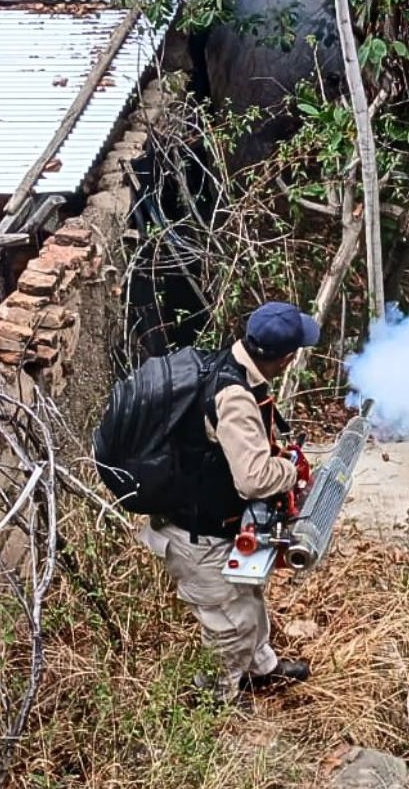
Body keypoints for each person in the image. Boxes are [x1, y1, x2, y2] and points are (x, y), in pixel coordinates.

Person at [136, 300, 321, 701]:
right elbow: (254, 480)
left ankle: (260, 668)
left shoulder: (227, 364)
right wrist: (289, 471)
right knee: (227, 622)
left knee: (246, 598)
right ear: (287, 358)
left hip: (210, 522)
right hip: (195, 534)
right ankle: (217, 699)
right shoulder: (233, 397)